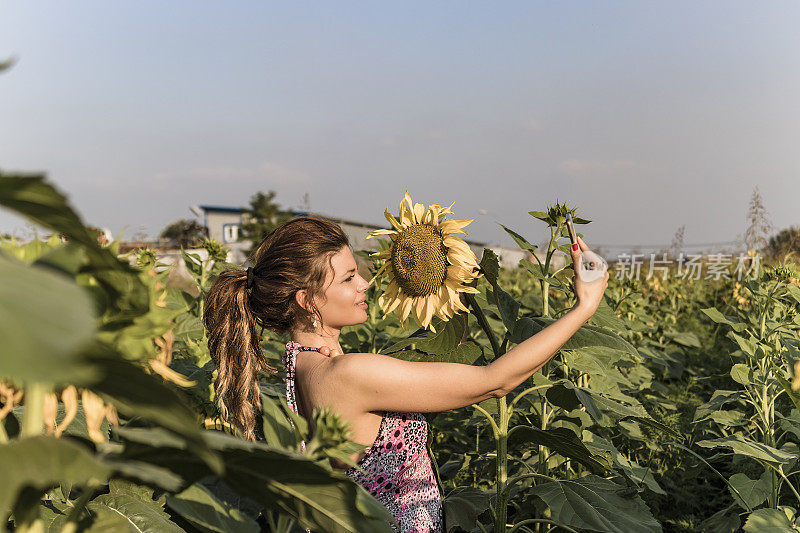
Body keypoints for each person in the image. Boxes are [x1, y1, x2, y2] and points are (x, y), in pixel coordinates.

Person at [203, 216, 608, 533]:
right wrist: (584, 307)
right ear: (308, 301)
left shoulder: (301, 362)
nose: (365, 283)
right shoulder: (349, 374)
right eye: (347, 278)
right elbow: (495, 381)